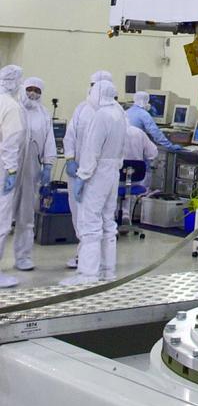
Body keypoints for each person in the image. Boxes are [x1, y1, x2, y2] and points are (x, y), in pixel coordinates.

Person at [62, 80, 127, 286]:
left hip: (97, 173)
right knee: (108, 222)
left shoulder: (101, 116)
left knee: (89, 223)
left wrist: (83, 175)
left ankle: (87, 275)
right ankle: (108, 271)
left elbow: (92, 150)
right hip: (113, 172)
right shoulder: (119, 113)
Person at [63, 70, 113, 270]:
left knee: (99, 218)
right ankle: (83, 254)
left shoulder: (112, 113)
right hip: (78, 171)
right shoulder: (82, 109)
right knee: (79, 215)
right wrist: (69, 158)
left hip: (100, 174)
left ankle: (98, 259)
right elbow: (70, 135)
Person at [11, 78, 57, 272]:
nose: (32, 93)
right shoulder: (13, 109)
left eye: (37, 90)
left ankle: (23, 257)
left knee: (26, 215)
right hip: (9, 166)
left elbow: (49, 141)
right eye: (29, 89)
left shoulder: (43, 114)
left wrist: (48, 164)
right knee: (2, 215)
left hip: (32, 167)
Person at [0, 65, 25, 288]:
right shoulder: (11, 106)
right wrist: (11, 170)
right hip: (1, 167)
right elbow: (10, 142)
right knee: (1, 220)